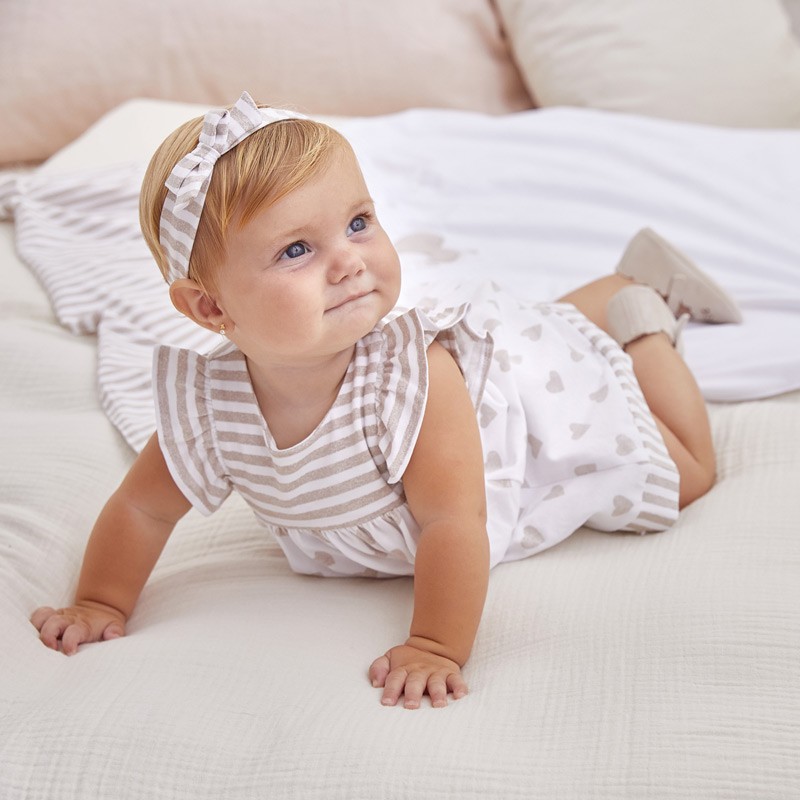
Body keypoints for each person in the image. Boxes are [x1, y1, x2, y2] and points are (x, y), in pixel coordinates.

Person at [31, 92, 741, 710]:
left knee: (685, 475)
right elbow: (143, 507)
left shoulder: (411, 378)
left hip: (512, 427)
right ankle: (607, 289)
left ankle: (640, 316)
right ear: (210, 306)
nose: (349, 260)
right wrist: (100, 602)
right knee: (547, 331)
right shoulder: (211, 405)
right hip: (466, 425)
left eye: (359, 222)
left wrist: (435, 644)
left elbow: (454, 523)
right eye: (295, 251)